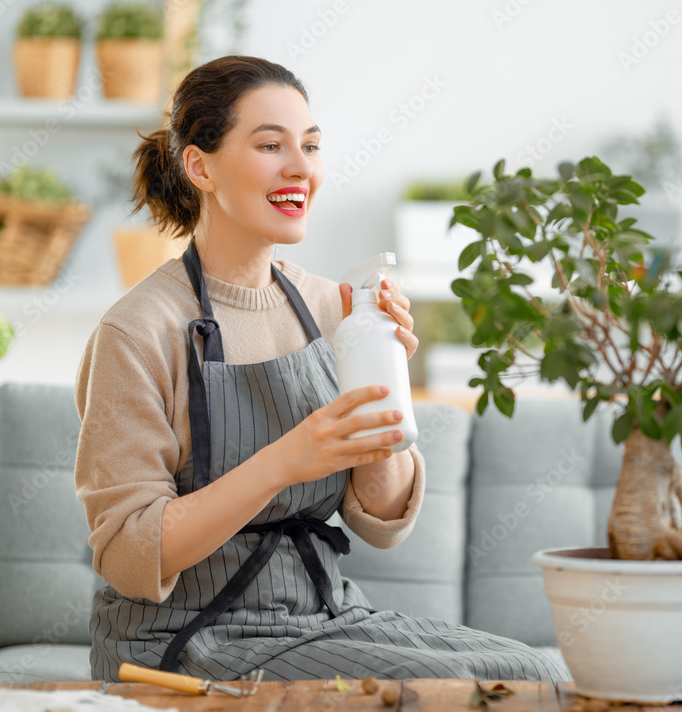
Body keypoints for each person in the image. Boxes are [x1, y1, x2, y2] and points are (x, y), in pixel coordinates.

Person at [74, 55, 569, 683]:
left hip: (321, 614)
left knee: (530, 672)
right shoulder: (138, 330)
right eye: (270, 145)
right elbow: (128, 552)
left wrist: (380, 385)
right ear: (200, 166)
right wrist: (288, 458)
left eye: (310, 146)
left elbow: (382, 522)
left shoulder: (332, 308)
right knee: (458, 693)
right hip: (185, 636)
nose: (300, 168)